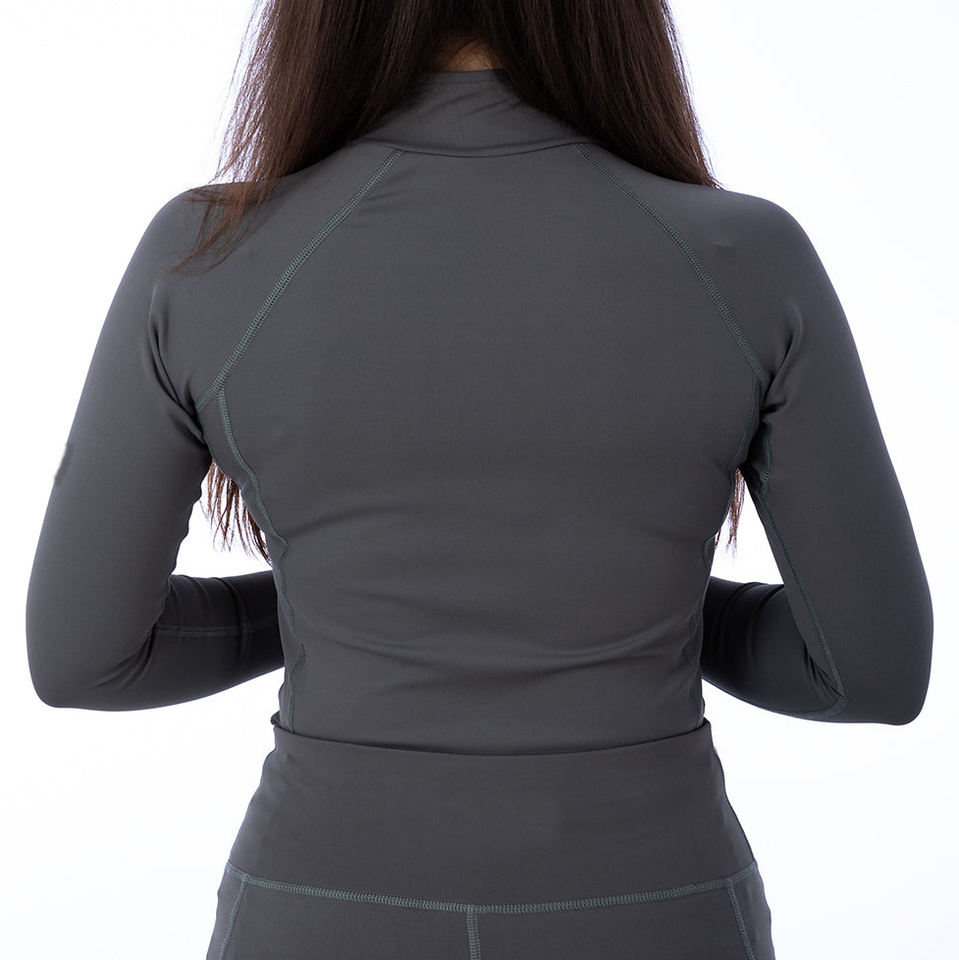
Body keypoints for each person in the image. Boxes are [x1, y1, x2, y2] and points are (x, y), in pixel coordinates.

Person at [24, 2, 934, 958]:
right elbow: (866, 670)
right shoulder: (742, 257)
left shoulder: (208, 255)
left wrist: (334, 605)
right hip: (656, 905)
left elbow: (89, 658)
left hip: (321, 907)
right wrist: (617, 605)